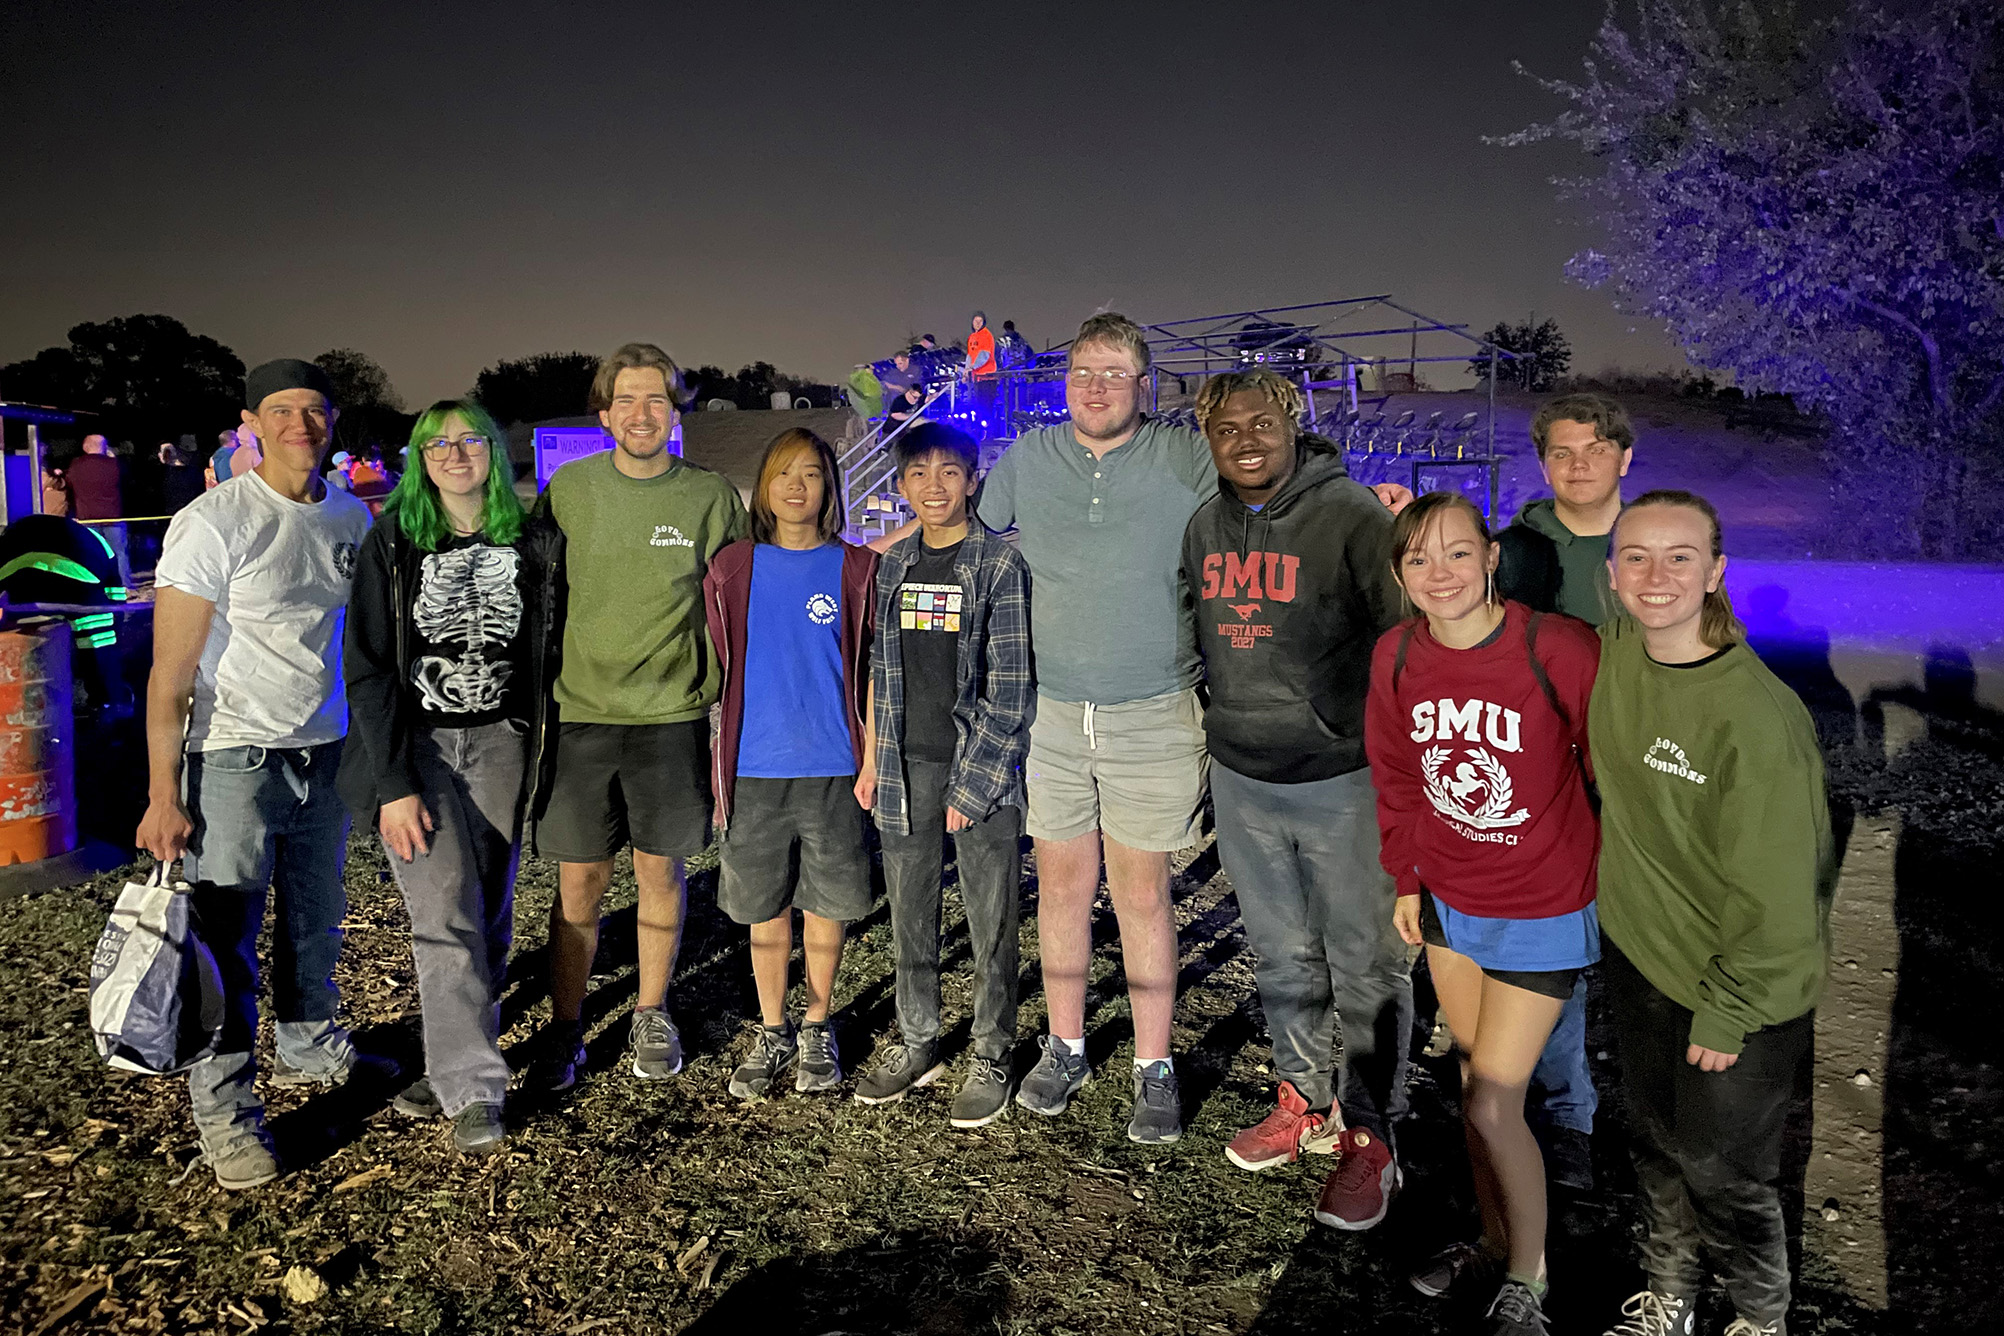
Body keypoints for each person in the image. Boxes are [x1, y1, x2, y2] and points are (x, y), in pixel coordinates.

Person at [135, 358, 380, 1190]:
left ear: (332, 421)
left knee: (316, 922)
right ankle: (228, 1115)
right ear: (251, 421)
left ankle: (310, 1043)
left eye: (314, 410)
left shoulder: (352, 518)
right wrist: (164, 795)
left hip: (327, 751)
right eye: (281, 411)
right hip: (233, 757)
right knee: (226, 945)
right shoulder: (214, 521)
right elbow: (169, 673)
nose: (299, 425)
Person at [1591, 490, 1831, 1336]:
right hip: (1640, 958)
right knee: (1658, 1149)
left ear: (1717, 572)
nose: (1656, 576)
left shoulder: (1756, 718)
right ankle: (1670, 1299)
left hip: (1741, 985)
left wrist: (1729, 1009)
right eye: (1637, 557)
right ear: (1612, 576)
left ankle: (1760, 1317)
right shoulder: (1620, 648)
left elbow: (1782, 896)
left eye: (1681, 557)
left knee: (1725, 1170)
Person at [1367, 491, 1603, 1335]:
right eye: (1420, 559)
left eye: (1458, 553)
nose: (1441, 574)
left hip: (1541, 905)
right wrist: (1406, 878)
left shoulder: (1557, 648)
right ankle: (1496, 1240)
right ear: (1400, 574)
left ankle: (1530, 1284)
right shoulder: (1397, 656)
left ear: (1492, 556)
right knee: (1474, 1082)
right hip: (1448, 901)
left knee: (1495, 1101)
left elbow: (1611, 759)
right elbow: (1395, 777)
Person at [1183, 370, 1412, 1229]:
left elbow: (1401, 641)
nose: (1245, 438)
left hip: (1343, 777)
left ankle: (1374, 1137)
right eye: (1226, 427)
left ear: (1292, 423)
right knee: (1281, 957)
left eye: (1261, 421)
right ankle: (1303, 1102)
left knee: (1365, 962)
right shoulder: (1204, 524)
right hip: (1245, 776)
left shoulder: (1354, 515)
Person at [339, 398, 561, 1157]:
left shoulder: (532, 539)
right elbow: (367, 671)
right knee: (443, 916)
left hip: (502, 743)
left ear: (494, 452)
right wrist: (394, 781)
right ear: (419, 459)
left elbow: (546, 643)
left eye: (471, 440)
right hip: (421, 750)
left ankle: (449, 1058)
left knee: (488, 908)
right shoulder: (393, 544)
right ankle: (473, 1088)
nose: (456, 454)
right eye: (439, 445)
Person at [529, 342, 748, 1091]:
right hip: (583, 717)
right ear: (604, 414)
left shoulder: (711, 498)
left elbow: (743, 599)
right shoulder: (568, 490)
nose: (641, 414)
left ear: (675, 409)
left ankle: (652, 1009)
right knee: (581, 881)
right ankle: (566, 1024)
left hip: (672, 717)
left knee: (661, 870)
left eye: (656, 399)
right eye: (626, 400)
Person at [852, 423, 1032, 1128]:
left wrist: (974, 783)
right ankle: (918, 1037)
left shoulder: (997, 567)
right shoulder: (893, 567)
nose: (935, 487)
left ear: (972, 481)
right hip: (904, 766)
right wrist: (873, 757)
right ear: (901, 486)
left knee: (991, 922)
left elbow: (1012, 687)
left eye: (949, 473)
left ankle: (993, 1051)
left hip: (975, 772)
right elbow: (880, 670)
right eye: (919, 474)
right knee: (910, 914)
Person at [1490, 391, 1636, 1190]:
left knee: (1648, 949)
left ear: (1623, 457)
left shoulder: (1651, 540)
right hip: (1546, 772)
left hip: (1641, 766)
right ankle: (1567, 1114)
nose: (1578, 466)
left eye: (1594, 450)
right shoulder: (1516, 547)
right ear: (1542, 462)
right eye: (1561, 453)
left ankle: (1666, 1107)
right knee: (1552, 954)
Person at [702, 429, 876, 1099]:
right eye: (783, 474)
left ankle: (816, 1023)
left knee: (826, 905)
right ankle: (772, 1026)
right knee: (765, 908)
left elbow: (868, 671)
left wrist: (872, 756)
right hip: (754, 768)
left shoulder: (857, 569)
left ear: (831, 488)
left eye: (812, 473)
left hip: (834, 765)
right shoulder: (733, 568)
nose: (797, 485)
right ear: (764, 490)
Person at [66, 434, 124, 521]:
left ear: (85, 447)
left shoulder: (76, 465)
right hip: (113, 518)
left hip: (86, 518)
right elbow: (126, 479)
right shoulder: (115, 464)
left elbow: (69, 482)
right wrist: (114, 458)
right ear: (105, 447)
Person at [966, 311, 999, 428]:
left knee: (986, 405)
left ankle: (988, 430)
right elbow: (970, 355)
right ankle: (980, 429)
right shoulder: (972, 337)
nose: (978, 323)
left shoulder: (986, 335)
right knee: (979, 405)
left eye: (980, 321)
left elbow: (984, 355)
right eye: (976, 321)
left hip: (987, 376)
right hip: (977, 378)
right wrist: (966, 370)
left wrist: (971, 367)